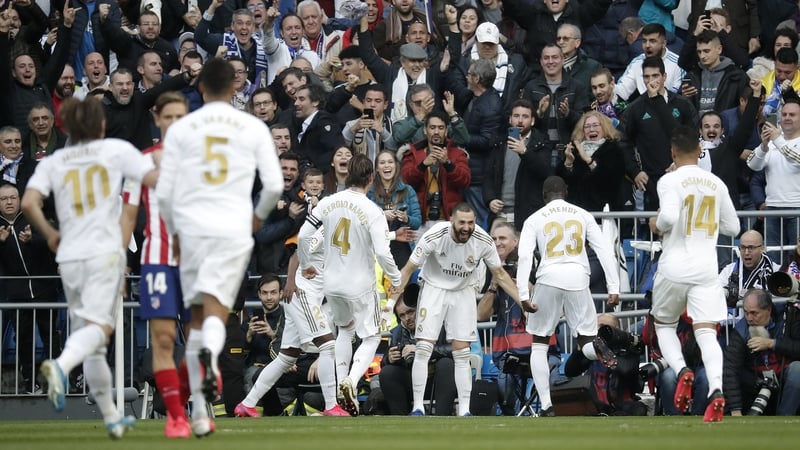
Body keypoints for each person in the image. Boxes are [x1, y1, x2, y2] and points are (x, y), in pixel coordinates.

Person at [155, 58, 283, 436]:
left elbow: (164, 192)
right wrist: (256, 218)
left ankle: (199, 411)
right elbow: (274, 186)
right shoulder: (252, 126)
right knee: (216, 313)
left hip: (193, 227)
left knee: (197, 318)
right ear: (235, 87)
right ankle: (206, 380)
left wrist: (175, 233)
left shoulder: (182, 128)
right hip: (233, 227)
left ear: (200, 87)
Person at [22, 97, 160, 439]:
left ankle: (112, 418)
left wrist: (50, 233)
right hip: (104, 253)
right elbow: (154, 179)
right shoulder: (116, 150)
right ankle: (61, 365)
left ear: (68, 126)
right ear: (101, 124)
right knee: (101, 328)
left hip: (69, 256)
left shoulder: (56, 160)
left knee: (92, 341)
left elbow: (28, 202)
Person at [392, 202, 529, 416]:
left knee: (462, 352)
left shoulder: (483, 240)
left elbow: (501, 275)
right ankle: (418, 407)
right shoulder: (436, 234)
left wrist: (524, 303)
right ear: (452, 221)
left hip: (463, 290)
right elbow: (409, 268)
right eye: (462, 223)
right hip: (434, 287)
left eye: (471, 223)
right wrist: (391, 301)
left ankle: (465, 410)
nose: (466, 227)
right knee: (424, 347)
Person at [297, 153, 402, 416]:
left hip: (331, 284)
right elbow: (382, 252)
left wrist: (306, 263)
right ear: (371, 178)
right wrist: (396, 277)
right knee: (373, 336)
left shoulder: (328, 202)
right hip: (360, 285)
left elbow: (304, 235)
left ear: (348, 176)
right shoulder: (373, 210)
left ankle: (341, 388)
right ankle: (351, 382)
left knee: (344, 330)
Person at [648, 125, 740, 423]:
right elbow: (734, 228)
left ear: (672, 152)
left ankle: (682, 370)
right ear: (700, 151)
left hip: (674, 266)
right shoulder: (716, 183)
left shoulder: (669, 180)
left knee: (664, 325)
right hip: (706, 269)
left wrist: (656, 224)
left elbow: (668, 217)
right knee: (706, 333)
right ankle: (715, 389)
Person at [516, 175, 620, 417]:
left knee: (539, 343)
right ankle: (598, 348)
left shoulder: (534, 219)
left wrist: (523, 293)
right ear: (566, 192)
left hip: (548, 277)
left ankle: (546, 405)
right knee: (586, 340)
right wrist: (613, 287)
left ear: (544, 196)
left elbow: (525, 256)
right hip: (578, 276)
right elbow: (604, 249)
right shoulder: (583, 215)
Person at [119, 92, 191, 439]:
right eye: (169, 117)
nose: (174, 124)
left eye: (181, 118)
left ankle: (188, 392)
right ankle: (176, 415)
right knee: (163, 339)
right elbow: (128, 215)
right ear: (157, 119)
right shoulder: (141, 164)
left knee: (201, 345)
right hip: (156, 261)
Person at [0, 182, 60, 394]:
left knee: (51, 337)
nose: (9, 202)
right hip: (16, 294)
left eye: (13, 197)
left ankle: (57, 381)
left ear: (19, 199)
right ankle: (29, 382)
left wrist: (33, 240)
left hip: (44, 289)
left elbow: (54, 241)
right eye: (4, 199)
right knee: (24, 339)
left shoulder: (34, 218)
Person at [723, 289, 800, 416]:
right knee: (728, 372)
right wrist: (735, 409)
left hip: (784, 382)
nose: (749, 318)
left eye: (754, 313)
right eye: (746, 313)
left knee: (797, 369)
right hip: (754, 384)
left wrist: (772, 343)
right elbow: (730, 369)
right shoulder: (741, 330)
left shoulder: (789, 319)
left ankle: (785, 419)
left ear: (768, 310)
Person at [380, 294, 457, 416]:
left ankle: (442, 417)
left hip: (440, 381)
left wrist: (422, 350)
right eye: (402, 315)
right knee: (387, 372)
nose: (407, 318)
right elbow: (384, 363)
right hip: (413, 382)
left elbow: (457, 349)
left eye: (410, 312)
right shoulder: (397, 332)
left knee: (446, 364)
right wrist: (388, 359)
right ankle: (400, 419)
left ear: (421, 308)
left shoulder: (442, 323)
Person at [746, 89, 800, 261]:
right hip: (772, 208)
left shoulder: (778, 140)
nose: (787, 118)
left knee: (797, 258)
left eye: (792, 115)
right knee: (773, 257)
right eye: (784, 114)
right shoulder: (773, 141)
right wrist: (763, 146)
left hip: (797, 208)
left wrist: (777, 140)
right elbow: (752, 164)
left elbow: (797, 159)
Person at [400, 111, 471, 232]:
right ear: (425, 130)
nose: (436, 132)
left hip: (448, 219)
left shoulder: (457, 153)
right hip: (419, 219)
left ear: (446, 131)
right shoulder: (413, 153)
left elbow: (465, 181)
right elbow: (405, 181)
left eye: (441, 128)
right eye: (432, 127)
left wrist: (448, 163)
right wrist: (423, 165)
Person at [560, 111, 627, 212]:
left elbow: (611, 178)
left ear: (604, 128)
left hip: (605, 209)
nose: (591, 129)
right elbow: (565, 181)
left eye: (595, 125)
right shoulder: (575, 149)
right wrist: (568, 163)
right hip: (578, 210)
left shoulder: (614, 149)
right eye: (587, 126)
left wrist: (589, 160)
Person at [367, 149, 421, 268]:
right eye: (382, 163)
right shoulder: (369, 191)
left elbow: (417, 221)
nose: (387, 165)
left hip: (403, 247)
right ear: (377, 168)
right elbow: (364, 220)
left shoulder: (408, 190)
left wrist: (406, 218)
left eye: (390, 162)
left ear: (396, 166)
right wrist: (382, 215)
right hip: (376, 247)